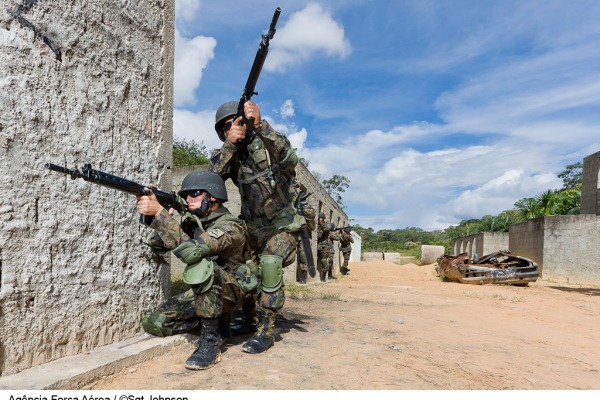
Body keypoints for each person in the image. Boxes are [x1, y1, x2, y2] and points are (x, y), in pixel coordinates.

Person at [210, 99, 305, 354]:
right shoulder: (231, 154)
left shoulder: (267, 143)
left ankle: (266, 330)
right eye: (227, 127)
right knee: (244, 272)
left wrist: (261, 124)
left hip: (282, 226)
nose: (234, 128)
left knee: (270, 263)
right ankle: (250, 318)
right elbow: (211, 179)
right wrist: (229, 143)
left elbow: (289, 158)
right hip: (252, 228)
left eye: (237, 122)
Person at [136, 171, 257, 370]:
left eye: (195, 194)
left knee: (202, 266)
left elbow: (192, 253)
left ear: (213, 196)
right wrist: (162, 219)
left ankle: (211, 341)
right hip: (208, 294)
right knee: (156, 322)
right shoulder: (194, 222)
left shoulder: (230, 227)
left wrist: (160, 213)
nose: (188, 199)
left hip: (235, 292)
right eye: (185, 195)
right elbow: (158, 246)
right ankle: (219, 324)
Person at [316, 212, 331, 282]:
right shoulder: (317, 225)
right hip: (317, 245)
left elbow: (326, 229)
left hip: (324, 246)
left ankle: (324, 276)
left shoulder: (325, 224)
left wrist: (321, 223)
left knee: (323, 260)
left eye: (320, 218)